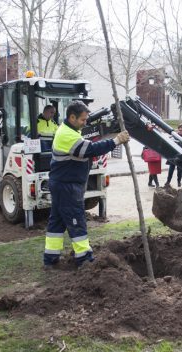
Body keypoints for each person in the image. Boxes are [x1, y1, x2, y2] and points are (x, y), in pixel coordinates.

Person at [43, 101, 130, 268]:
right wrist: (115, 141)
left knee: (57, 222)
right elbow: (89, 150)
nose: (85, 123)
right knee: (77, 220)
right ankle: (84, 259)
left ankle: (50, 258)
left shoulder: (69, 130)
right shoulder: (67, 135)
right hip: (67, 186)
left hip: (62, 184)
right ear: (72, 117)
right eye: (83, 120)